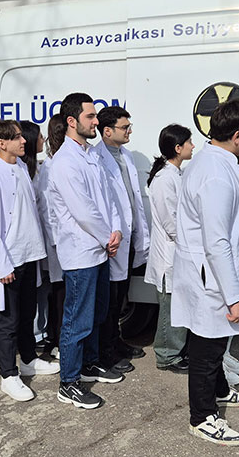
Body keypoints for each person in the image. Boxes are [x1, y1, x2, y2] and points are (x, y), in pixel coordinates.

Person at [173, 100, 239, 446]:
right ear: (237, 136)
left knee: (216, 341)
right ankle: (202, 417)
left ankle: (220, 391)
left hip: (208, 273)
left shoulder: (215, 162)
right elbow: (217, 241)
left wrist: (238, 165)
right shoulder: (214, 174)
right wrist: (235, 296)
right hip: (211, 276)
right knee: (207, 348)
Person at [49, 93, 124, 410]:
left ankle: (90, 364)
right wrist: (108, 236)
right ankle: (68, 382)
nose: (96, 121)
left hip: (101, 248)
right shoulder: (64, 162)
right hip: (81, 252)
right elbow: (83, 210)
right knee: (77, 320)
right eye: (90, 117)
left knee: (96, 314)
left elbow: (108, 198)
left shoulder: (91, 154)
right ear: (72, 121)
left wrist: (116, 229)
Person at [0, 120, 59, 402]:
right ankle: (8, 375)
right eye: (17, 137)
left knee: (27, 314)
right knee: (9, 320)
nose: (24, 141)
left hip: (29, 254)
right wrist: (1, 264)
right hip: (10, 259)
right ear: (2, 144)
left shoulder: (22, 167)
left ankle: (28, 359)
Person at [91, 106, 150, 374]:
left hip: (127, 235)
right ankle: (106, 352)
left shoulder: (125, 155)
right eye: (125, 127)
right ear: (107, 131)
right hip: (111, 240)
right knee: (109, 302)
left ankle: (117, 342)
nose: (129, 131)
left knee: (121, 295)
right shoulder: (96, 158)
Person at [144, 124, 194, 374]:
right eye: (189, 142)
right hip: (170, 255)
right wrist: (190, 243)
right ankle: (167, 355)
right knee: (170, 308)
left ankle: (176, 351)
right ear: (177, 148)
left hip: (180, 252)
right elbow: (170, 220)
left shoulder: (176, 174)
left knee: (179, 305)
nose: (193, 146)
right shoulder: (164, 178)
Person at [34, 115, 67, 358]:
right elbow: (47, 210)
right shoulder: (50, 166)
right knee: (59, 295)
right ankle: (56, 341)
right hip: (58, 243)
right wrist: (56, 242)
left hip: (67, 242)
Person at [19, 121, 48, 345]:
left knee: (40, 289)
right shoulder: (23, 172)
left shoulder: (36, 168)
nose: (43, 140)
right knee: (30, 294)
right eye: (39, 136)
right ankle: (34, 335)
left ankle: (39, 332)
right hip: (28, 242)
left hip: (41, 240)